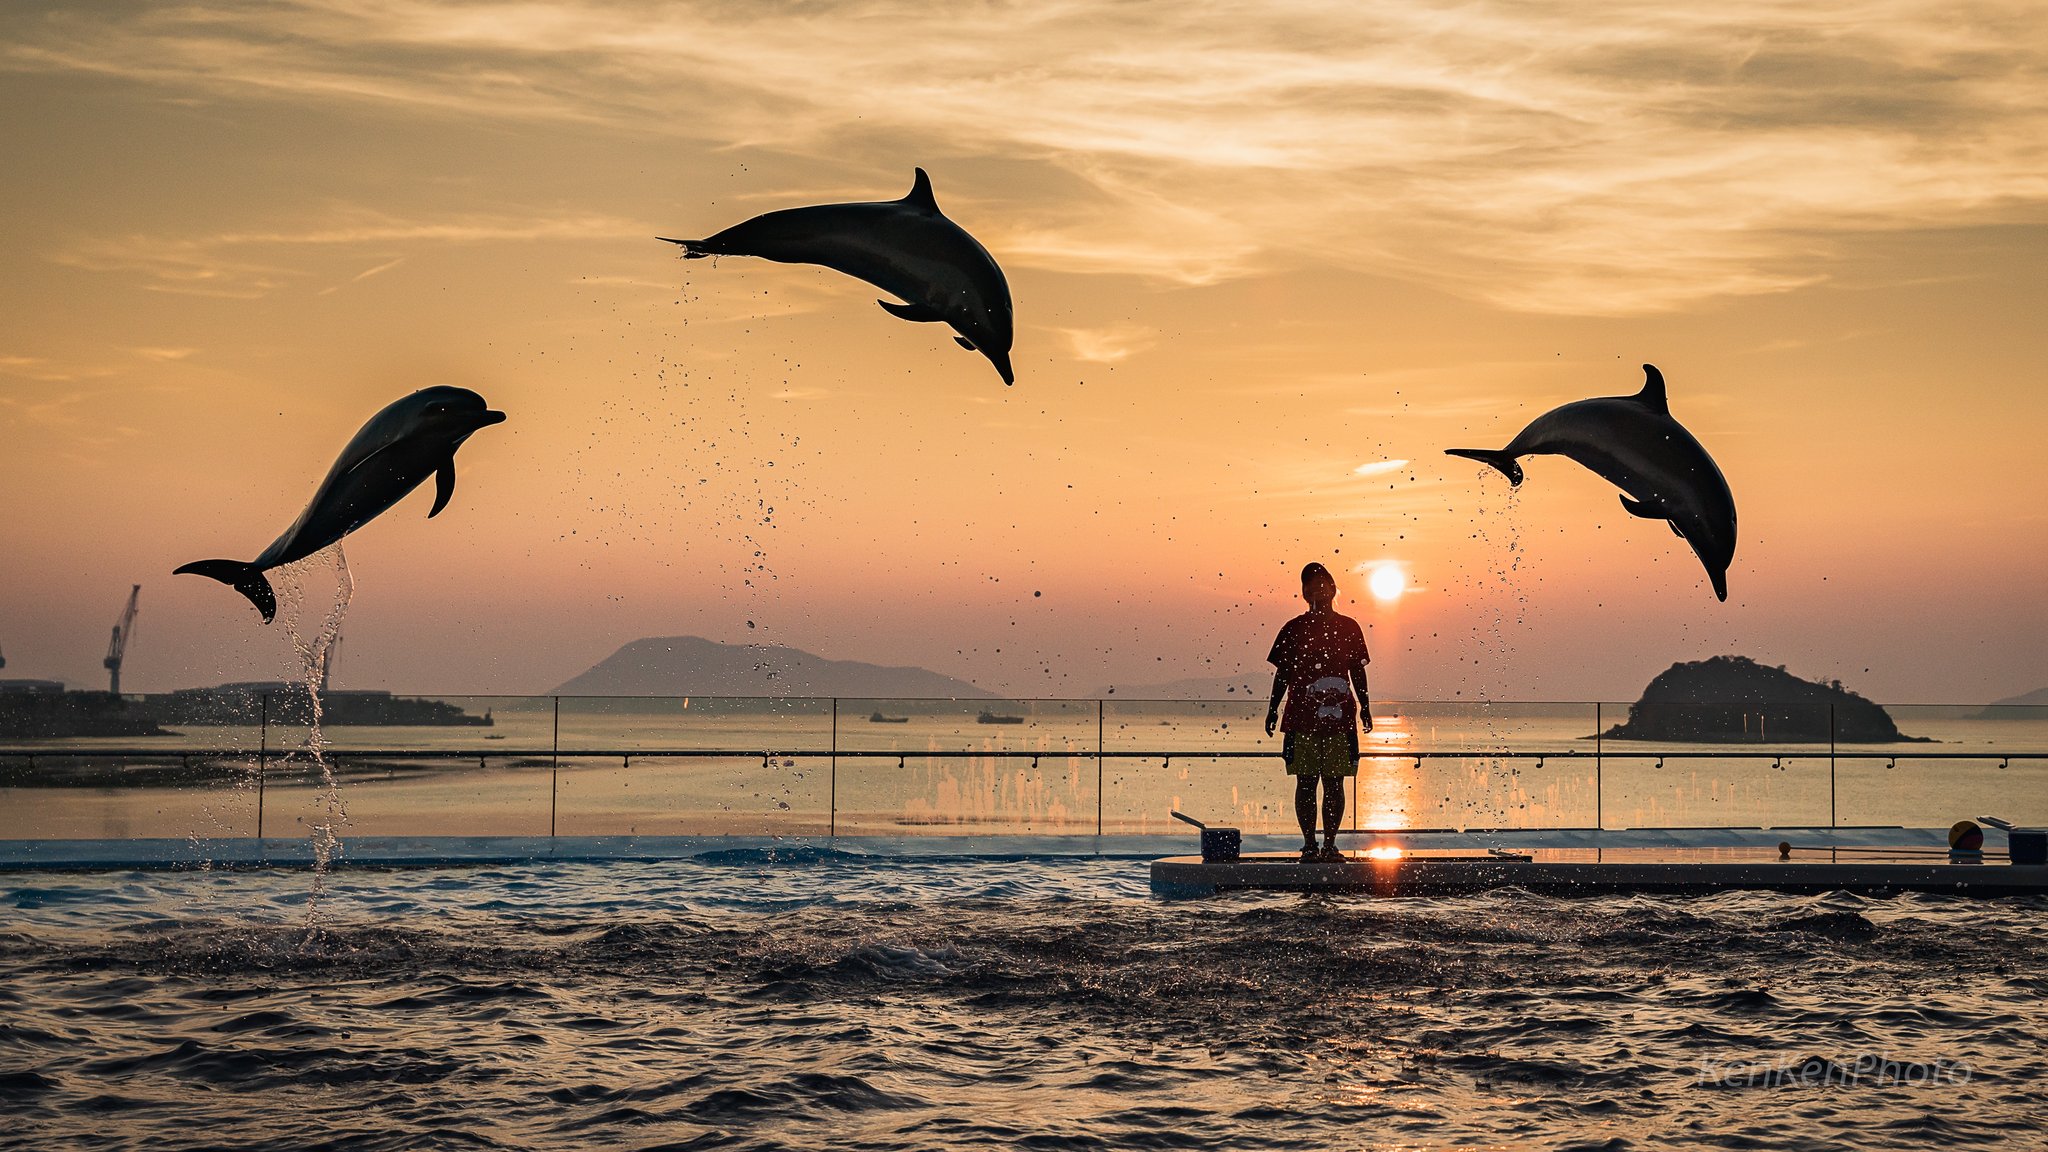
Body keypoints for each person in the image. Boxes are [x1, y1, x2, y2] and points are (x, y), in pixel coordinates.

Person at [1264, 562, 1371, 861]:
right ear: (1303, 593)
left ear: (1333, 589)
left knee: (1335, 781)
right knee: (1306, 781)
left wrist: (1365, 708)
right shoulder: (1293, 628)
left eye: (1321, 584)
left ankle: (1330, 844)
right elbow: (1282, 673)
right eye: (1308, 586)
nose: (1315, 590)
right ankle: (1310, 845)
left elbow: (1358, 673)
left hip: (1340, 721)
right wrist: (1273, 709)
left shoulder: (1349, 627)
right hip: (1301, 718)